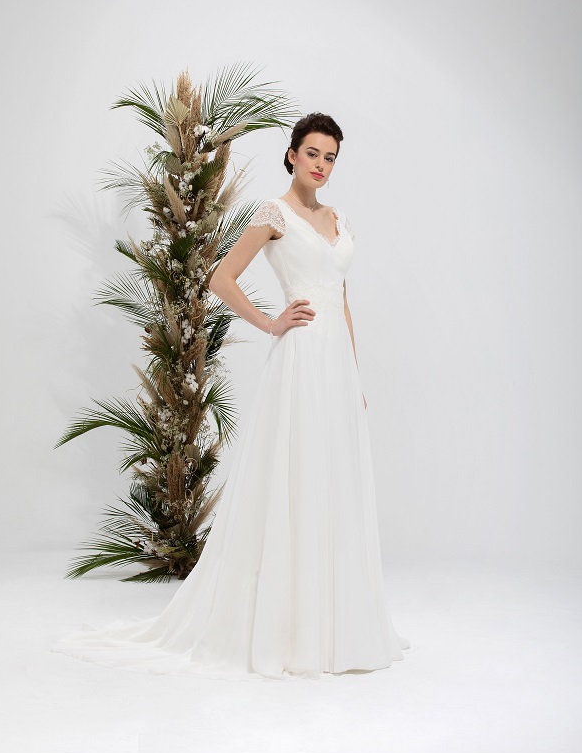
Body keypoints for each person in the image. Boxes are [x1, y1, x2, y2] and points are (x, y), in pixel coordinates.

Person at [50, 112, 410, 681]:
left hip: (336, 365)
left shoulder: (337, 218)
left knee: (333, 478)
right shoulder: (274, 214)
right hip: (300, 359)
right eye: (312, 153)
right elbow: (221, 279)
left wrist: (356, 377)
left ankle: (333, 626)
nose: (321, 165)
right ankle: (288, 629)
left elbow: (341, 299)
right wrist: (271, 322)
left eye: (330, 157)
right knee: (296, 477)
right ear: (291, 155)